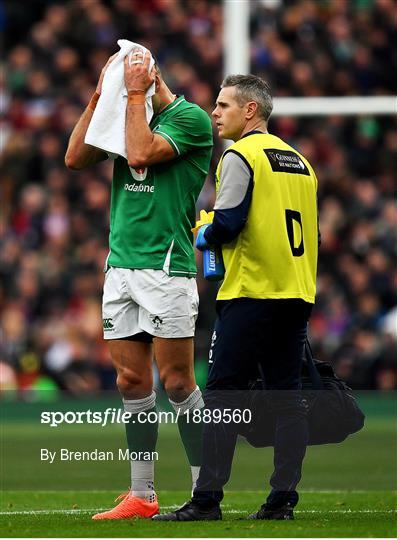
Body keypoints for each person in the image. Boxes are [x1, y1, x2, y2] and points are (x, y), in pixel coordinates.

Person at [154, 74, 319, 521]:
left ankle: (206, 500)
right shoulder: (301, 161)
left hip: (251, 292)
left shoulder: (241, 154)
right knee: (288, 398)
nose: (214, 112)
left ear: (251, 111)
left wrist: (202, 232)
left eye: (224, 105)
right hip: (296, 292)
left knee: (223, 395)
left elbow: (227, 224)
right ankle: (282, 501)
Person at [65, 48, 213, 519]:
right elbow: (74, 157)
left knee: (176, 382)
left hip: (165, 267)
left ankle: (204, 493)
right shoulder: (126, 112)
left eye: (130, 81)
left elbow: (141, 151)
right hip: (121, 266)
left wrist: (131, 94)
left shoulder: (190, 119)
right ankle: (142, 495)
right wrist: (97, 99)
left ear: (152, 78)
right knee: (131, 381)